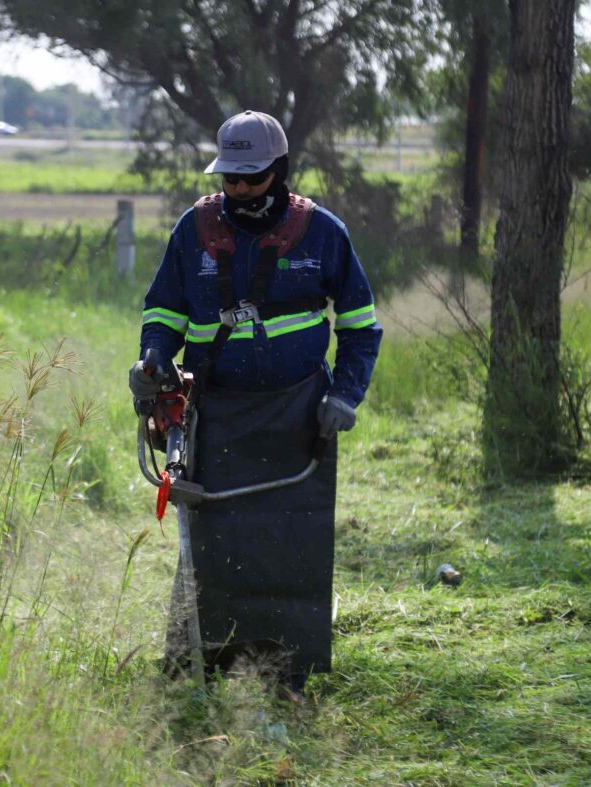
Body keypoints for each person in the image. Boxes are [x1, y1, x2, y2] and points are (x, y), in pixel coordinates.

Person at [129, 110, 382, 694]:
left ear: (280, 169)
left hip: (300, 416)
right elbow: (163, 312)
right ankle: (196, 668)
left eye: (252, 177)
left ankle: (286, 673)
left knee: (294, 542)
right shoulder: (193, 230)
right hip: (213, 410)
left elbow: (361, 327)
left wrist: (345, 395)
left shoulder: (323, 234)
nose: (239, 189)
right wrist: (152, 359)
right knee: (210, 540)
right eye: (231, 178)